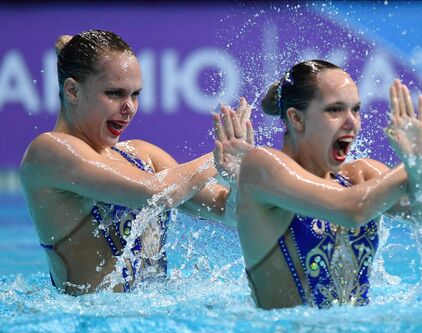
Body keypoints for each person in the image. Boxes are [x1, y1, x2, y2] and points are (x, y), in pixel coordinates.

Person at [19, 30, 254, 295]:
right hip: (92, 326)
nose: (129, 107)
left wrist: (235, 177)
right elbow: (155, 192)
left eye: (135, 95)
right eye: (114, 93)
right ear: (73, 90)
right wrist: (219, 156)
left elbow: (230, 213)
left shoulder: (143, 155)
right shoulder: (49, 151)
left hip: (155, 320)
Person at [233, 60, 422, 309]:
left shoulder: (361, 175)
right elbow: (350, 210)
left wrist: (416, 165)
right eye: (335, 110)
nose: (352, 122)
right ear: (297, 119)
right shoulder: (262, 167)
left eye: (356, 110)